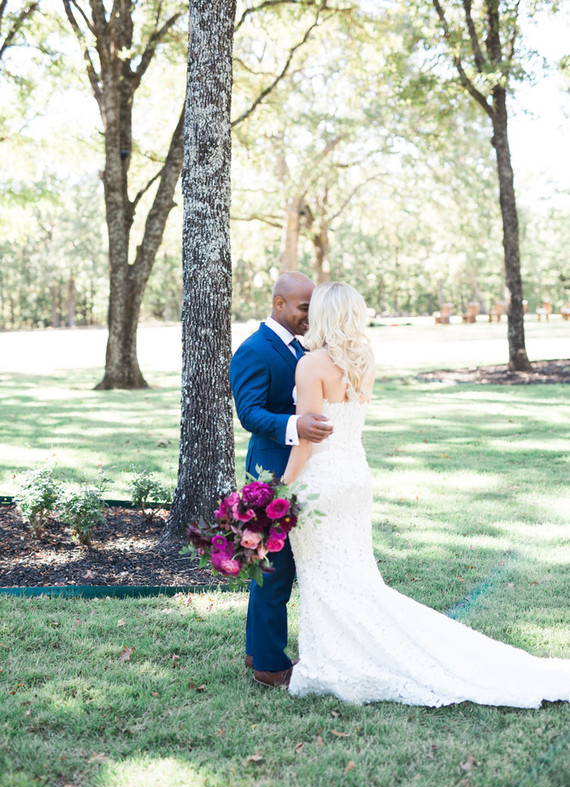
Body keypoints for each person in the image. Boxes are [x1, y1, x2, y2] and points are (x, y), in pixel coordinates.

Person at [282, 281, 570, 706]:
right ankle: (339, 654)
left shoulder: (311, 365)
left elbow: (308, 441)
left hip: (322, 481)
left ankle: (335, 661)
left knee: (326, 578)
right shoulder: (364, 358)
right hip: (356, 477)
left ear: (322, 314)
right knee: (355, 576)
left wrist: (277, 490)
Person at [229, 271, 333, 688]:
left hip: (305, 472)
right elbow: (249, 413)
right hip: (271, 472)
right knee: (273, 568)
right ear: (279, 305)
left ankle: (258, 648)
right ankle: (270, 666)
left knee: (279, 565)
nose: (311, 317)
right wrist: (296, 425)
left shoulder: (304, 348)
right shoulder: (254, 350)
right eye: (305, 308)